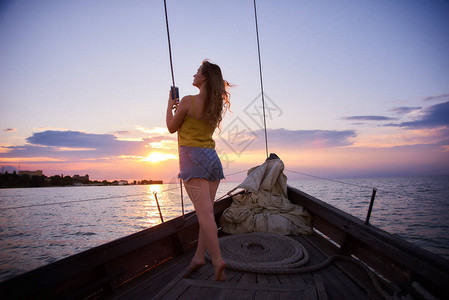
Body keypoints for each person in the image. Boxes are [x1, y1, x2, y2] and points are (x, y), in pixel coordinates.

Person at [166, 60, 231, 281]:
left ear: (203, 78)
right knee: (207, 214)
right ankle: (198, 258)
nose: (194, 75)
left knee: (204, 215)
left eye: (197, 72)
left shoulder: (186, 101)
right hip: (212, 159)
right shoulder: (215, 106)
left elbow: (171, 127)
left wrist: (169, 105)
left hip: (192, 160)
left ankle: (218, 260)